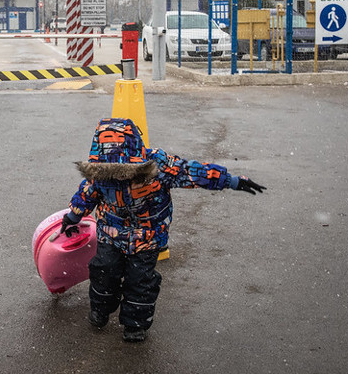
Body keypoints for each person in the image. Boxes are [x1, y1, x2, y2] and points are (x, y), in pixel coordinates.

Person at [59, 117, 265, 343]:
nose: (118, 177)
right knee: (103, 272)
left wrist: (231, 181)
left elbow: (190, 173)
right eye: (113, 172)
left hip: (148, 236)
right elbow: (88, 194)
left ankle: (134, 323)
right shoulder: (99, 172)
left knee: (140, 281)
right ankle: (100, 308)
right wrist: (73, 215)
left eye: (125, 172)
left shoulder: (158, 164)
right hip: (110, 232)